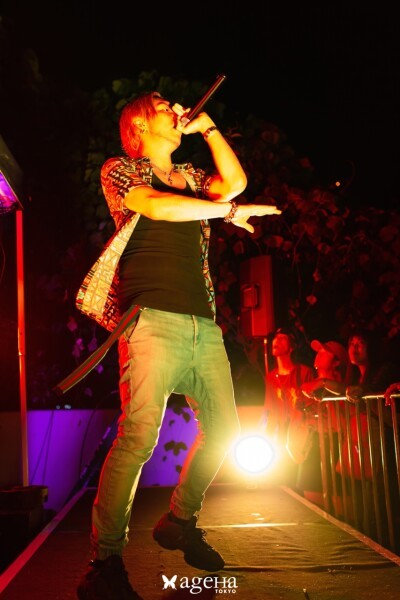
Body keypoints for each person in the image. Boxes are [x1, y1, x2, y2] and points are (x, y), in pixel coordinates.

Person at [75, 89, 282, 600]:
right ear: (139, 127)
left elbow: (234, 183)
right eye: (162, 107)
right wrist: (226, 213)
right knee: (139, 438)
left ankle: (180, 520)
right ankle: (105, 562)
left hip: (202, 324)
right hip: (149, 320)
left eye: (175, 106)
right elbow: (157, 208)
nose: (174, 109)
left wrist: (208, 128)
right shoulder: (122, 170)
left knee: (226, 432)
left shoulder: (190, 175)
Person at [298, 339, 349, 507]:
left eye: (324, 352)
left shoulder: (344, 386)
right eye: (318, 352)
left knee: (341, 501)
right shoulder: (308, 386)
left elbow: (342, 420)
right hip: (315, 442)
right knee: (313, 502)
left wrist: (324, 384)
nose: (318, 355)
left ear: (337, 362)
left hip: (338, 443)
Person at [261, 328, 314, 489]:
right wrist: (265, 436)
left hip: (301, 433)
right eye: (275, 338)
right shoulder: (271, 376)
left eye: (282, 338)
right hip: (281, 434)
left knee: (302, 482)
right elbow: (270, 409)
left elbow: (311, 406)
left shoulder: (304, 372)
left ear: (292, 346)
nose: (276, 341)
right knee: (282, 483)